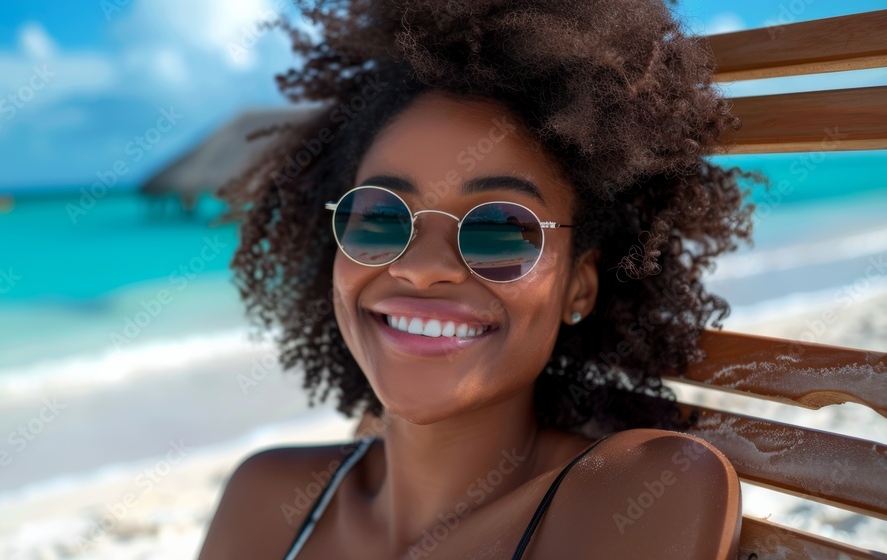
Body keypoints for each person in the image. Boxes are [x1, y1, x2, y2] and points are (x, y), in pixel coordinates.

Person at [200, 0, 762, 558]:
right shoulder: (264, 499)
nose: (421, 267)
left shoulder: (643, 493)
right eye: (379, 218)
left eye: (499, 229)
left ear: (579, 287)